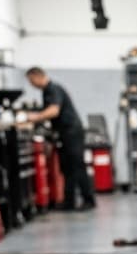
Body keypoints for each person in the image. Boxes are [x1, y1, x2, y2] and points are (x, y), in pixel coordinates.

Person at [25, 67, 97, 211]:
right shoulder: (47, 91)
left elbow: (54, 111)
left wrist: (34, 117)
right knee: (67, 168)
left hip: (72, 132)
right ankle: (68, 202)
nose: (31, 84)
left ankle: (89, 200)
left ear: (37, 76)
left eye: (31, 80)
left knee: (77, 166)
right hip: (63, 134)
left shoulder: (53, 89)